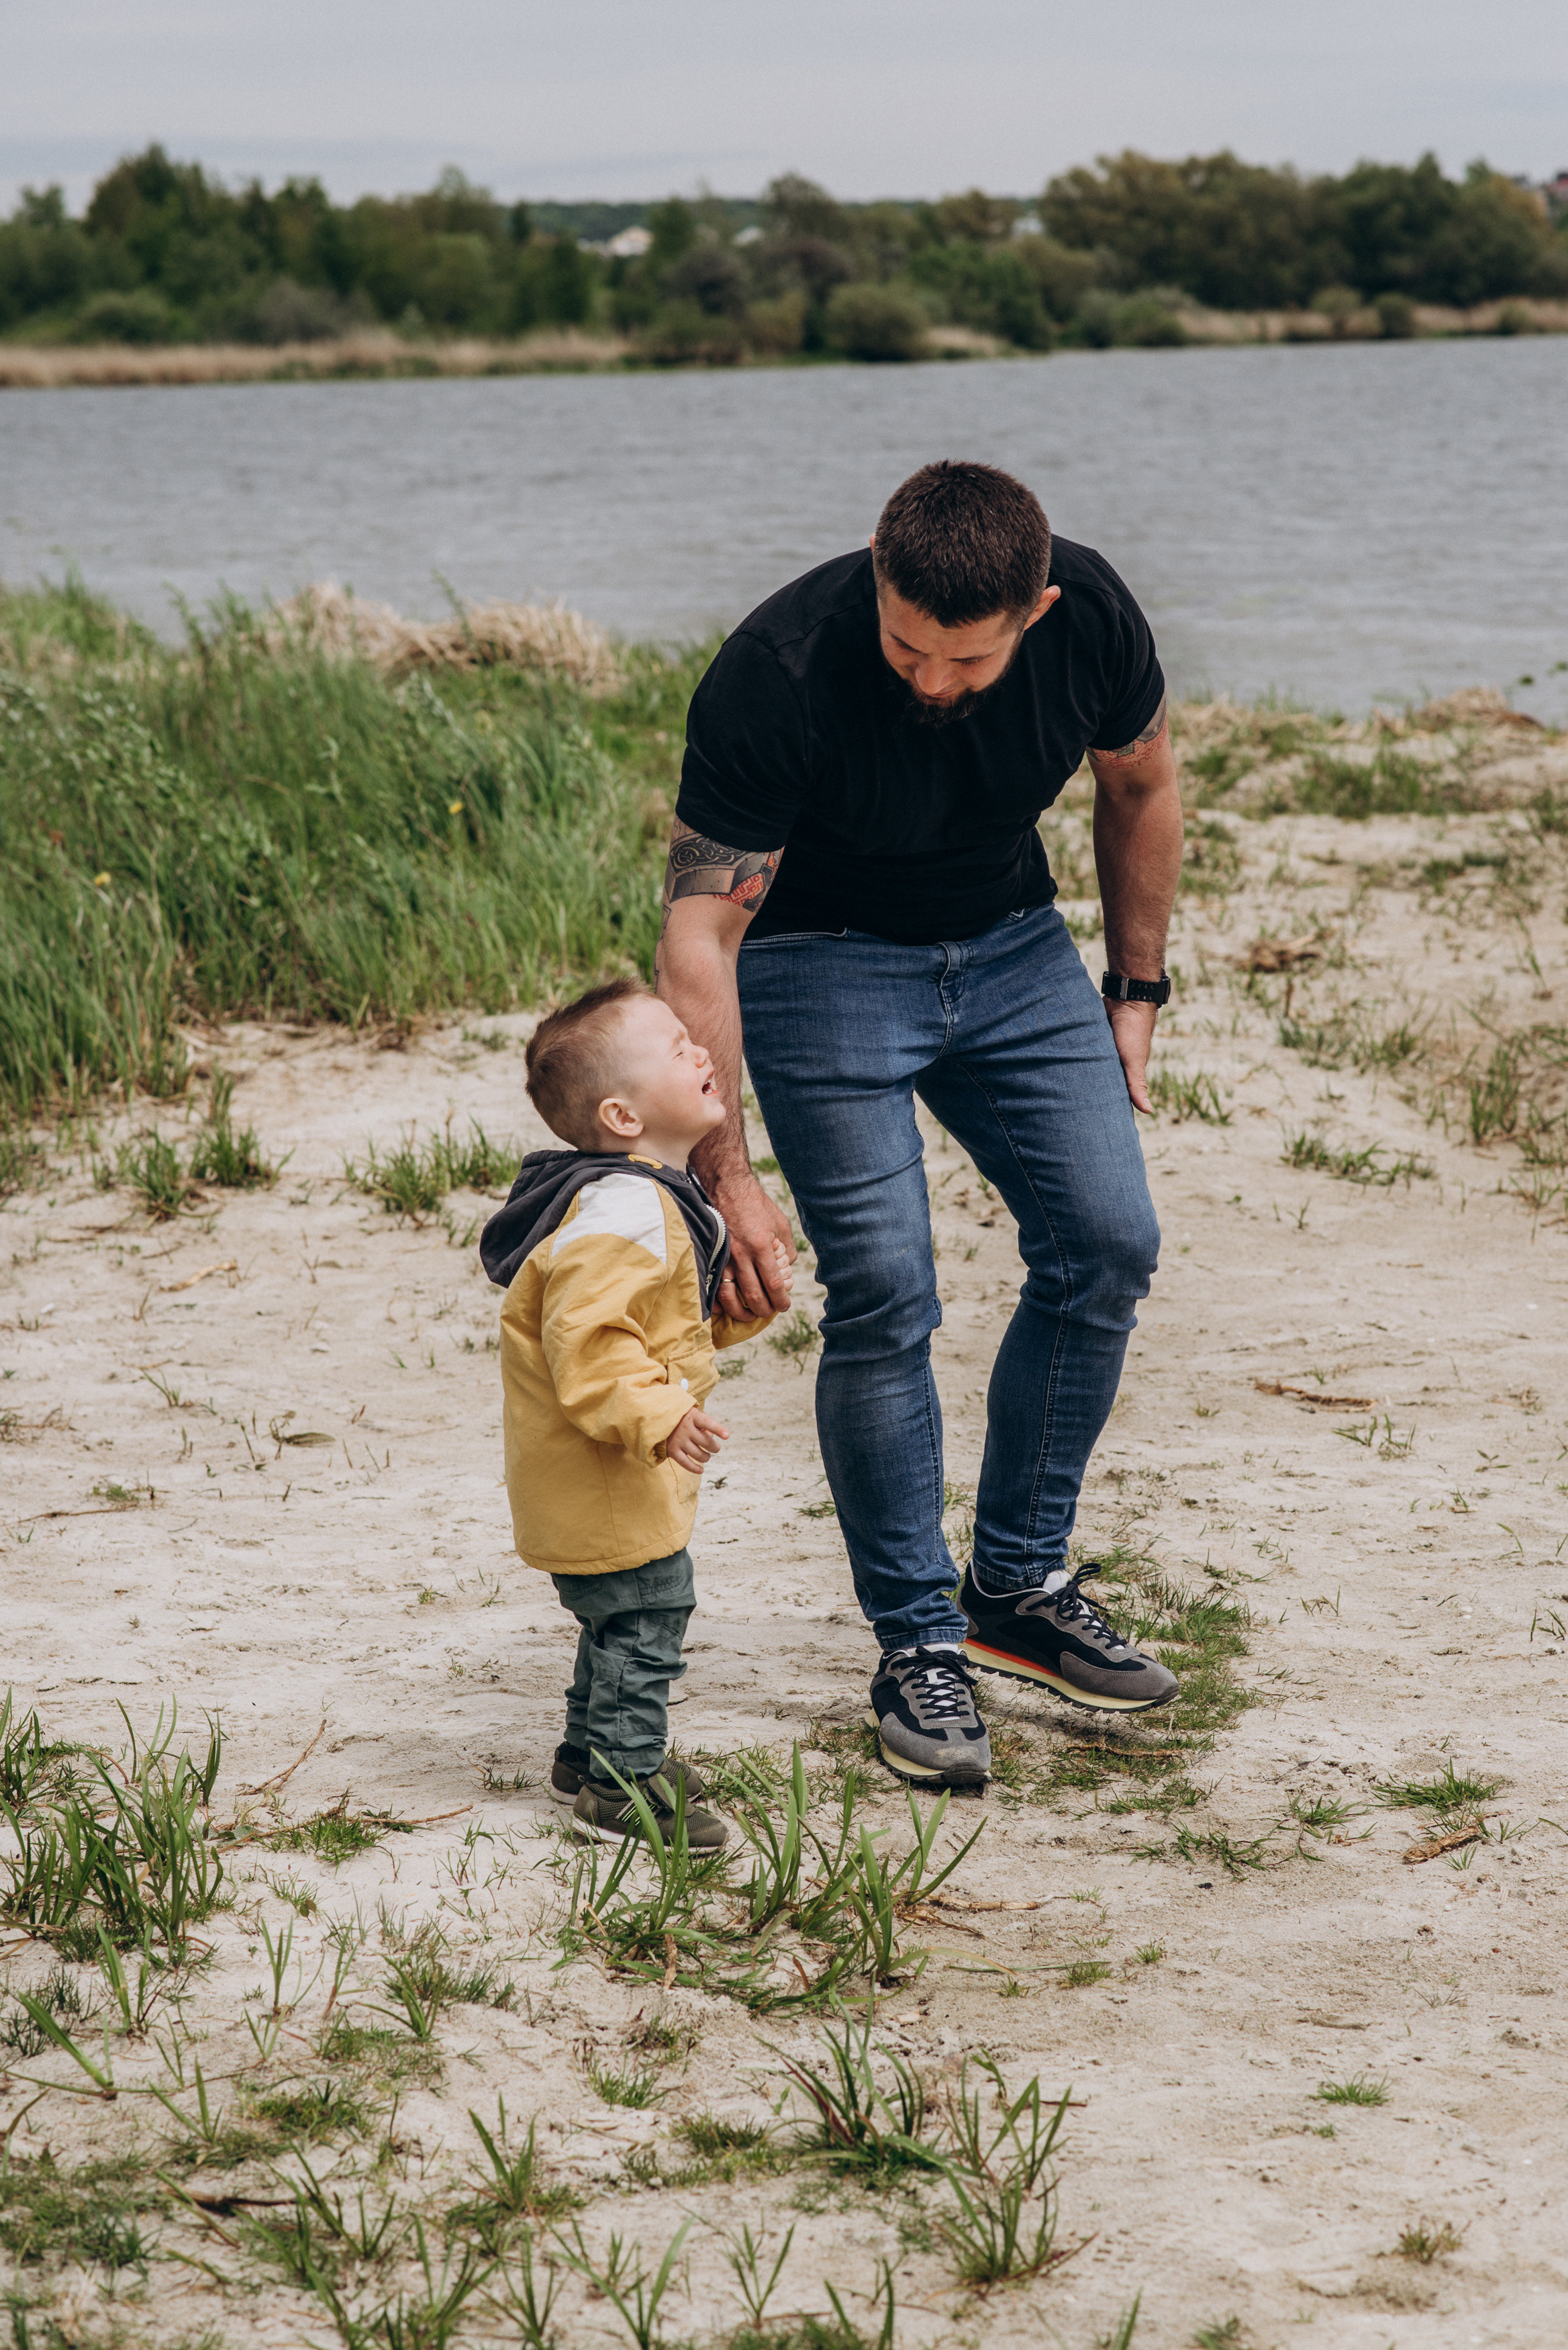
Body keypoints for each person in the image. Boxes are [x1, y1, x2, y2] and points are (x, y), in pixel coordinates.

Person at [656, 459, 1183, 1793]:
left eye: (968, 660)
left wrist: (1133, 990)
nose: (931, 682)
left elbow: (1142, 784)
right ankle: (913, 1643)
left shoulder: (1097, 624)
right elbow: (703, 931)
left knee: (1108, 1243)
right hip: (823, 960)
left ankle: (1013, 1583)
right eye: (905, 645)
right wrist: (725, 1177)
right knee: (887, 1293)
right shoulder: (776, 671)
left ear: (1039, 610)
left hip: (1013, 951)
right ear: (874, 573)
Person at [479, 979, 785, 1844]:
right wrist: (658, 1417)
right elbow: (592, 1342)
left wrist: (734, 1313)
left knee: (619, 1617)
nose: (699, 1051)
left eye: (695, 1039)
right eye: (674, 1047)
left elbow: (651, 1330)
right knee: (648, 1616)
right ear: (621, 1115)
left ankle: (590, 1751)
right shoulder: (625, 1211)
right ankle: (620, 1784)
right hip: (609, 1469)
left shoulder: (638, 1196)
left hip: (598, 1469)